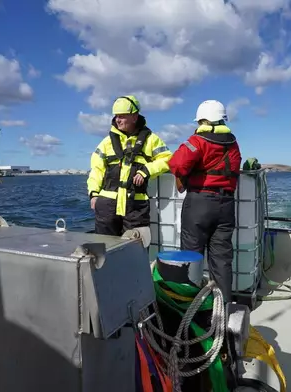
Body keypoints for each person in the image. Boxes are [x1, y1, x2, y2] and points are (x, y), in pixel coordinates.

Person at [167, 100, 242, 303]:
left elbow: (177, 164)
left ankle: (191, 310)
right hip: (226, 205)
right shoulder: (233, 144)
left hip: (200, 203)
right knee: (222, 261)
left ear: (202, 120)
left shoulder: (198, 141)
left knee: (192, 258)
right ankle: (223, 310)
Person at [87, 95, 172, 236]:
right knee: (105, 249)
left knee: (136, 249)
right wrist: (93, 194)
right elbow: (96, 169)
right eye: (116, 116)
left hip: (136, 207)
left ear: (134, 117)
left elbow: (168, 158)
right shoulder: (106, 142)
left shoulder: (151, 140)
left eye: (122, 116)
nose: (117, 120)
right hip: (107, 206)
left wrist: (146, 170)